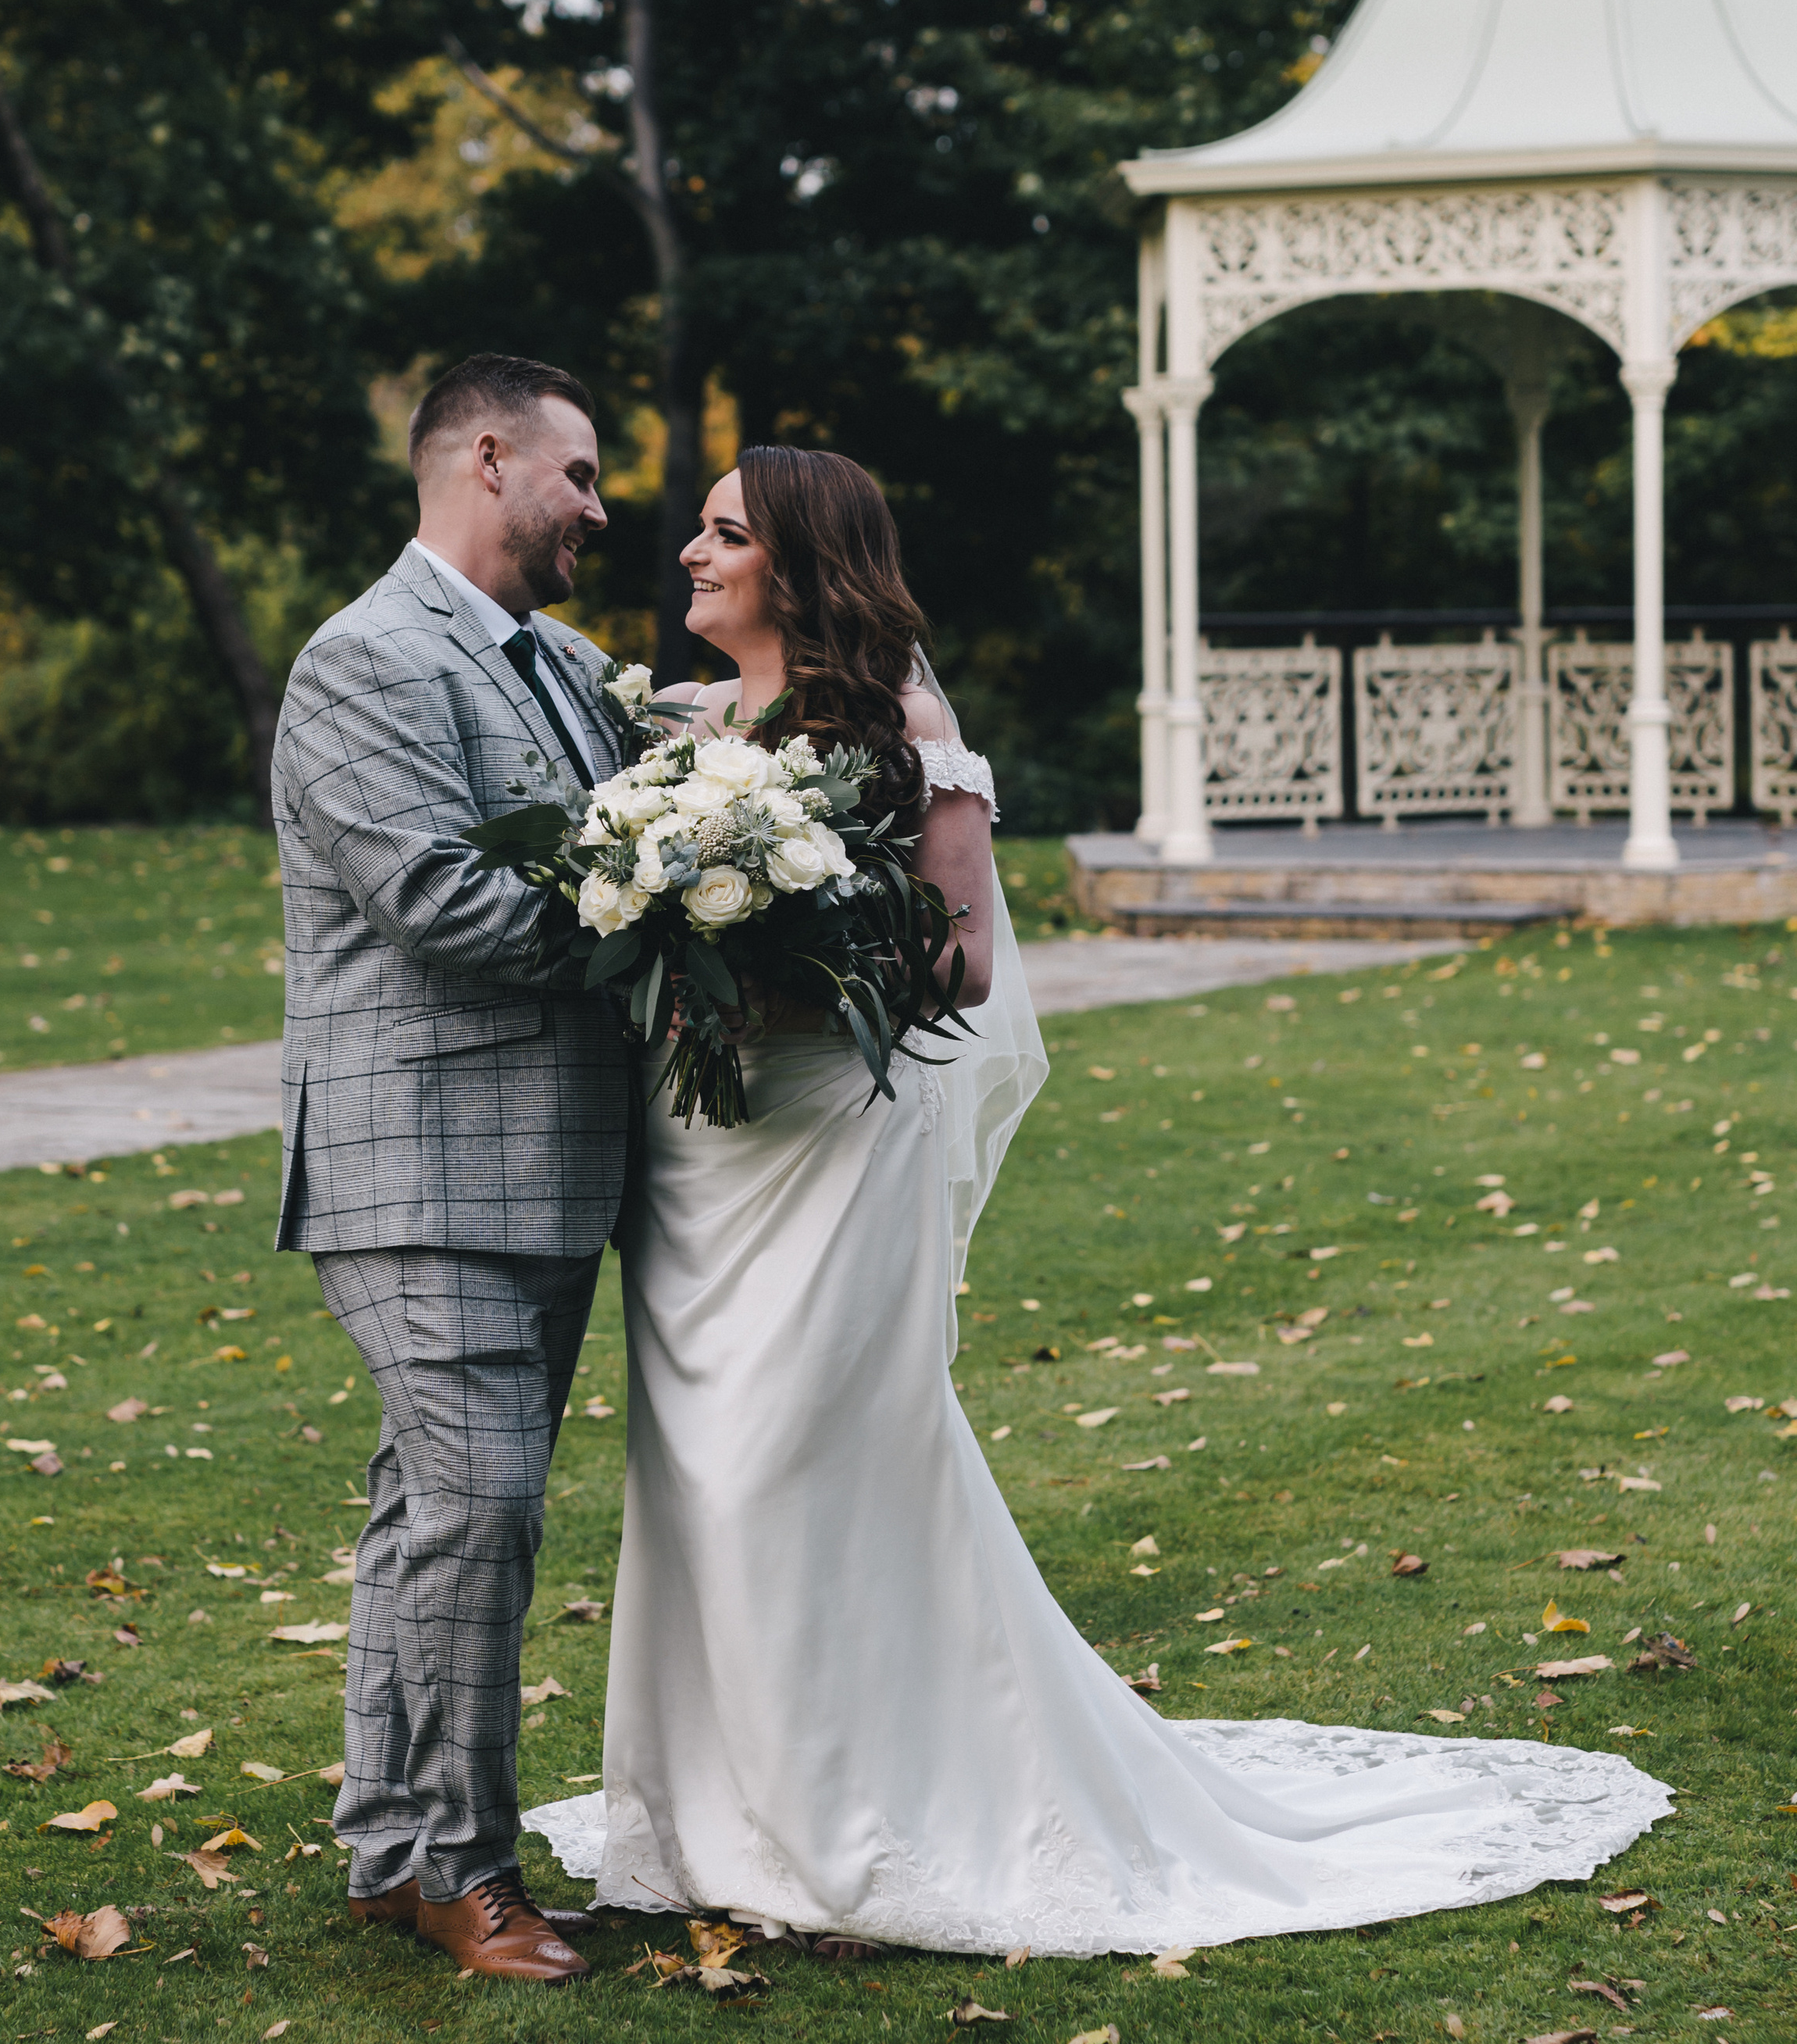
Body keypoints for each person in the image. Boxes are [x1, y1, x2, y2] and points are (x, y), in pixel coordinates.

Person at [523, 445, 1671, 1958]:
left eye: (723, 532)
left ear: (799, 566)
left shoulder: (900, 726)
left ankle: (854, 1808)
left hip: (821, 1141)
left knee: (787, 1463)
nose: (686, 549)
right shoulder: (664, 725)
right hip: (697, 1156)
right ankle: (707, 1814)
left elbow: (962, 963)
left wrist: (775, 971)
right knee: (692, 1482)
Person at [273, 351, 634, 1985]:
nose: (598, 506)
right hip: (415, 1159)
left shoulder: (553, 662)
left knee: (434, 1509)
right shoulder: (364, 660)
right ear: (486, 461)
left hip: (547, 1160)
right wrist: (684, 922)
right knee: (481, 1506)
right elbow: (450, 903)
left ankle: (387, 1846)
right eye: (578, 474)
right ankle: (462, 1872)